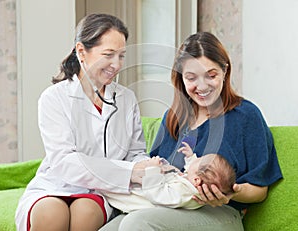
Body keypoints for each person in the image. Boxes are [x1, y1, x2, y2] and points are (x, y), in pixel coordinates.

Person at [99, 32, 283, 231]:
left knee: (136, 224)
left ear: (225, 71)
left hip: (221, 213)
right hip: (167, 205)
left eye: (211, 75)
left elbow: (260, 190)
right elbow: (155, 170)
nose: (202, 86)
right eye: (191, 78)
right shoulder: (174, 117)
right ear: (181, 78)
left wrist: (230, 194)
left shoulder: (246, 115)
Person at [15, 13, 152, 231]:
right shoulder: (54, 98)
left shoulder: (126, 99)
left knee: (85, 212)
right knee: (51, 213)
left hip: (101, 190)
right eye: (108, 55)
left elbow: (135, 152)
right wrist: (128, 172)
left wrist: (146, 166)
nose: (116, 65)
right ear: (81, 51)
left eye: (121, 56)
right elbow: (63, 161)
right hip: (55, 184)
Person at [103, 144, 236, 213]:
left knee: (111, 189)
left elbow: (157, 194)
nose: (197, 158)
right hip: (146, 187)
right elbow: (193, 172)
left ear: (197, 180)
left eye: (198, 159)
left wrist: (153, 170)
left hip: (140, 199)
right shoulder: (193, 185)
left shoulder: (183, 192)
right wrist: (191, 157)